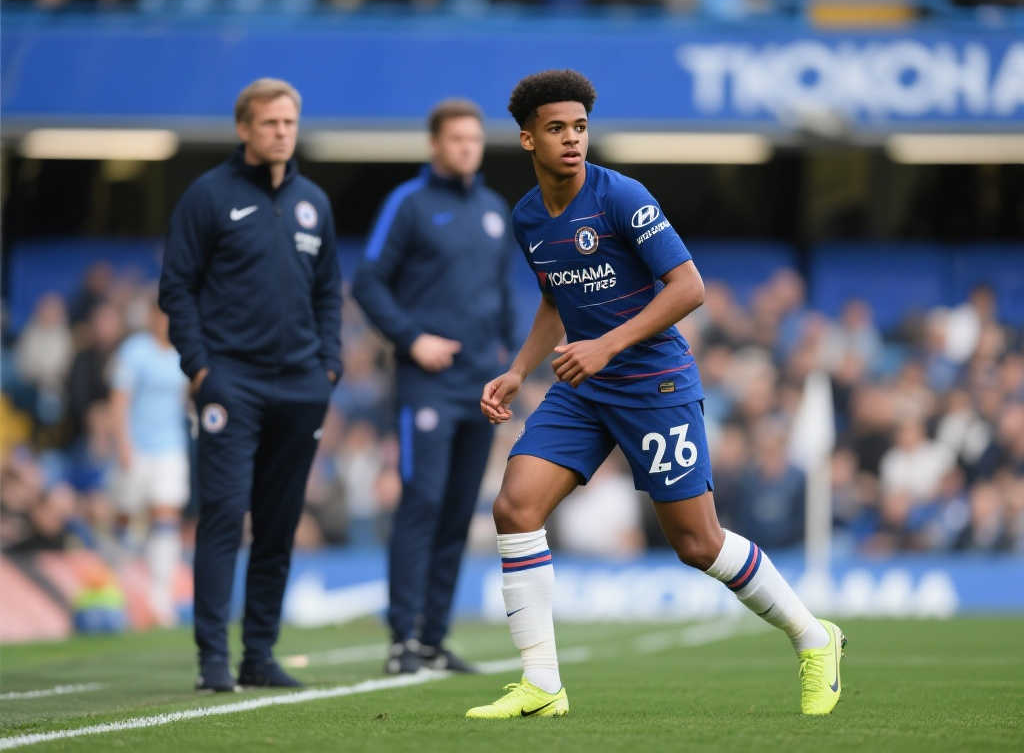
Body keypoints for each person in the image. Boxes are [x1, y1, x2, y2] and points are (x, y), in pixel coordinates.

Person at [467, 69, 845, 719]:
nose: (572, 139)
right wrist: (519, 370)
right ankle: (542, 683)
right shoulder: (528, 216)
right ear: (528, 139)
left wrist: (606, 345)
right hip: (585, 387)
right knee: (515, 506)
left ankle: (814, 637)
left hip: (654, 383)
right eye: (557, 129)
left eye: (580, 127)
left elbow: (689, 287)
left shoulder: (621, 196)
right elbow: (555, 301)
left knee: (697, 543)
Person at [159, 77, 341, 693]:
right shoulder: (208, 196)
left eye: (289, 123)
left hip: (302, 386)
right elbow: (176, 287)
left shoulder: (313, 201)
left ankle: (258, 654)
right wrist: (200, 367)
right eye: (270, 123)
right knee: (222, 515)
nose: (282, 133)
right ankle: (212, 656)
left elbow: (328, 293)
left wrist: (330, 365)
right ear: (244, 129)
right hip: (231, 382)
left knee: (279, 524)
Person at [353, 98, 516, 675]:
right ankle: (402, 638)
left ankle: (433, 639)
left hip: (481, 387)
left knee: (458, 511)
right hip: (427, 385)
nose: (468, 148)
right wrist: (412, 339)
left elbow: (501, 293)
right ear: (435, 145)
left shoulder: (495, 210)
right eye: (457, 139)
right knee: (421, 503)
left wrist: (511, 355)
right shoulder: (410, 203)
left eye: (475, 139)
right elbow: (368, 282)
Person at [109, 295, 189, 627]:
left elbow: (185, 399)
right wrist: (122, 443)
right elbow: (119, 400)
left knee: (166, 515)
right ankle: (119, 586)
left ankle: (161, 601)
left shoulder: (183, 353)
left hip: (170, 448)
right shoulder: (134, 351)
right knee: (126, 518)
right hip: (137, 447)